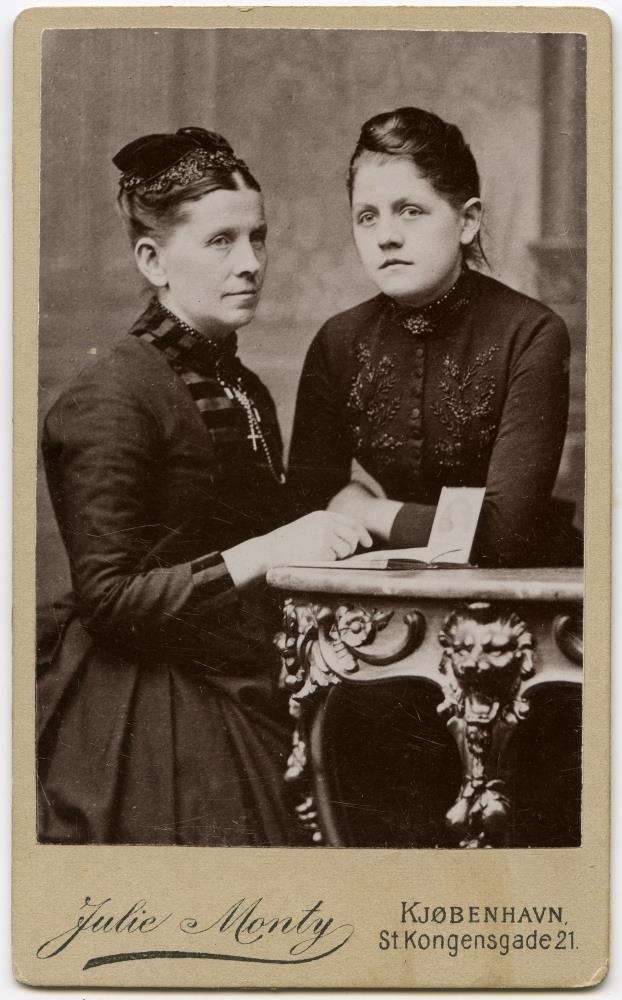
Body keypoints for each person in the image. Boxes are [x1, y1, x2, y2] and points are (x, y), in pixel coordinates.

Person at [37, 126, 371, 846]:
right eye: (221, 241)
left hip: (243, 669)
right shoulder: (110, 396)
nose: (250, 263)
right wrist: (270, 549)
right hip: (148, 702)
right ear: (152, 260)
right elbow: (110, 600)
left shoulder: (239, 384)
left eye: (258, 238)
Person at [288, 107, 582, 567]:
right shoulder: (338, 341)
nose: (386, 236)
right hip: (394, 585)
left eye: (410, 211)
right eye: (367, 216)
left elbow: (506, 535)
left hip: (523, 587)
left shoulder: (530, 333)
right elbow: (305, 512)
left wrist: (367, 511)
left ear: (467, 221)